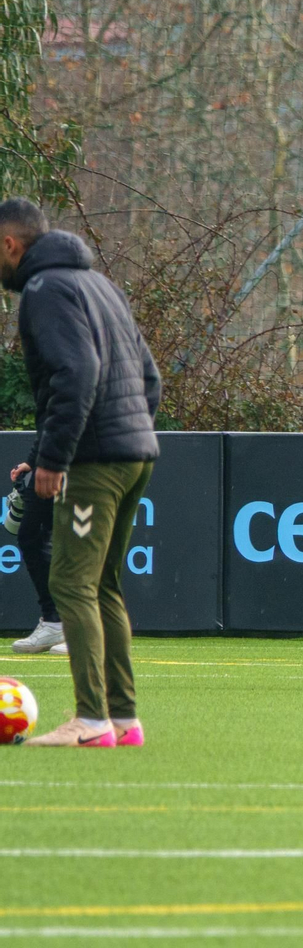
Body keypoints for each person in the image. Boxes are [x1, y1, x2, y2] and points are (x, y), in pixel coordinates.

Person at [0, 198, 161, 746]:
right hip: (135, 453)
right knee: (106, 586)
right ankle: (124, 720)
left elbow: (77, 371)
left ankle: (91, 721)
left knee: (70, 581)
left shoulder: (45, 292)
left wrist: (55, 458)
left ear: (10, 244)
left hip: (94, 461)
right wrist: (132, 431)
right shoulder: (101, 286)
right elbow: (149, 377)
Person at [8, 457, 68, 655]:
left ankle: (81, 627)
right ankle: (53, 621)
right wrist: (34, 460)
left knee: (76, 545)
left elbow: (70, 425)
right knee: (30, 535)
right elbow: (49, 427)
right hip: (49, 462)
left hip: (82, 463)